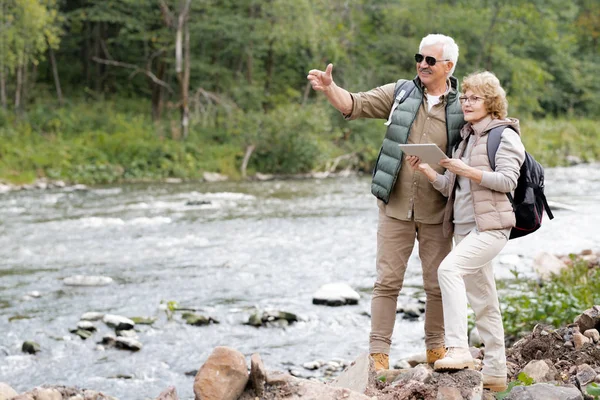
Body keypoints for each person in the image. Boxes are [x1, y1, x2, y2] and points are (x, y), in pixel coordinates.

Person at [307, 34, 465, 371]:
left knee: (437, 283)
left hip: (439, 209)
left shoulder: (463, 104)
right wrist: (329, 88)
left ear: (448, 66)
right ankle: (378, 355)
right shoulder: (400, 92)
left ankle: (436, 349)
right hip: (394, 207)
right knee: (387, 282)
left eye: (430, 60)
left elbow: (486, 133)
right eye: (419, 58)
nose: (422, 64)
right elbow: (355, 104)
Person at [406, 71, 525, 392]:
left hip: (492, 227)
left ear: (491, 103)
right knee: (485, 301)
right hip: (463, 230)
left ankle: (458, 348)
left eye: (475, 98)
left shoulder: (505, 135)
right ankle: (496, 374)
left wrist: (468, 171)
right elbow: (450, 187)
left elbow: (508, 181)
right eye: (465, 97)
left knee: (448, 270)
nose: (467, 102)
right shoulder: (466, 138)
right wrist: (429, 169)